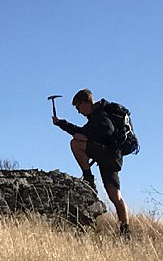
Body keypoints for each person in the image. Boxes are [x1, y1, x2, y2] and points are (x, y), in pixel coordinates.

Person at [52, 89, 130, 238]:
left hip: (107, 155)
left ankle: (88, 178)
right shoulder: (96, 117)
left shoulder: (99, 115)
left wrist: (88, 139)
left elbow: (107, 129)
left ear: (86, 102)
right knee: (116, 196)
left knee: (75, 144)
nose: (78, 111)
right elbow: (81, 131)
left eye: (78, 106)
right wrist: (61, 123)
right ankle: (125, 231)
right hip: (113, 159)